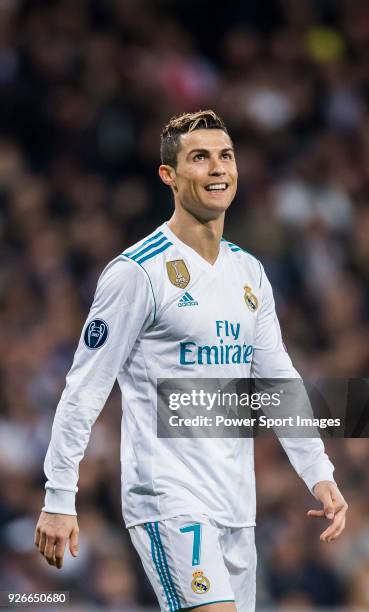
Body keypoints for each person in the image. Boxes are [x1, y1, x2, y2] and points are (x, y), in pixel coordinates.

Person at [35, 110, 348, 612]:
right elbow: (84, 388)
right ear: (169, 175)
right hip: (168, 498)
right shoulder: (137, 272)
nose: (217, 168)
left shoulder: (249, 272)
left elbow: (277, 381)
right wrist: (58, 495)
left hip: (236, 505)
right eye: (199, 158)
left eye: (225, 156)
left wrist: (320, 474)